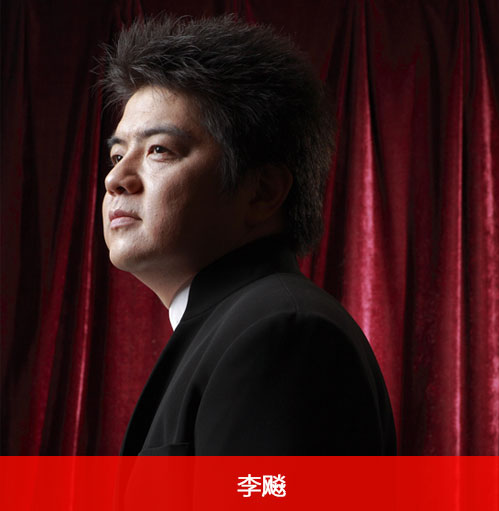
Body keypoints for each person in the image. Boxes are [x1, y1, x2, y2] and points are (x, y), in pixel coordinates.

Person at [101, 15, 396, 455]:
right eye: (117, 154)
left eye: (159, 150)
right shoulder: (235, 328)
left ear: (263, 191)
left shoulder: (280, 334)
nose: (116, 179)